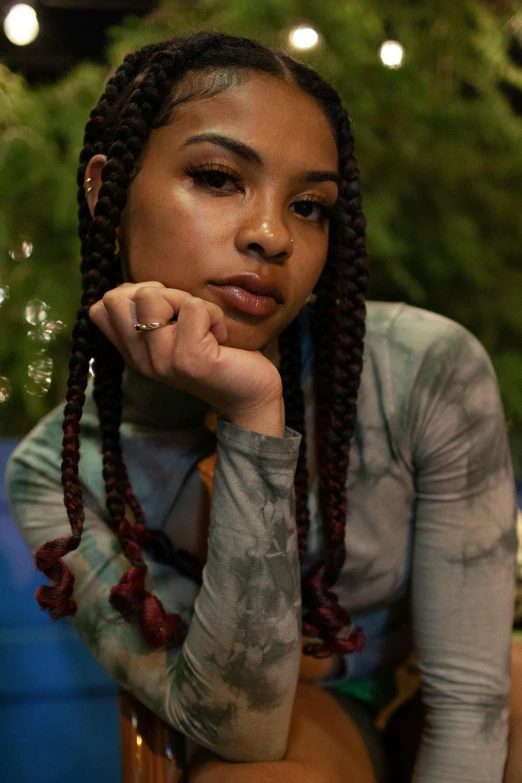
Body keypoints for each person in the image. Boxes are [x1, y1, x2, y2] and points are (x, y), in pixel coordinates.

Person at [4, 30, 520, 783]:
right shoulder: (56, 473)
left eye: (310, 206)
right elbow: (240, 724)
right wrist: (252, 412)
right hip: (297, 725)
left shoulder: (423, 368)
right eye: (216, 177)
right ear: (104, 188)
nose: (273, 234)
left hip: (463, 697)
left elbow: (469, 702)